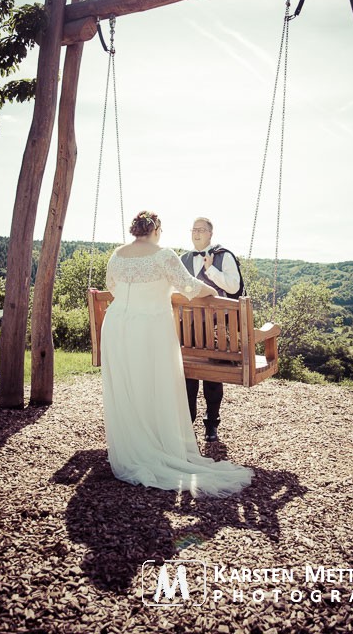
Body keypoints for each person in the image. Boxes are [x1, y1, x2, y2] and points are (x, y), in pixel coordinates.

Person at [100, 210, 253, 497]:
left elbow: (112, 287)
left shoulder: (117, 254)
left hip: (116, 325)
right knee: (154, 384)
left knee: (127, 386)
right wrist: (210, 291)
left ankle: (133, 444)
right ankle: (155, 443)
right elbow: (191, 287)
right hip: (148, 327)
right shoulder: (164, 254)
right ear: (155, 229)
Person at [181, 217, 242, 442]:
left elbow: (234, 287)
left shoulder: (224, 256)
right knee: (187, 376)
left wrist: (210, 271)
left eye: (201, 229)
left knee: (212, 377)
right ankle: (188, 422)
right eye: (193, 229)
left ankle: (212, 423)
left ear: (210, 234)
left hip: (216, 327)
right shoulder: (183, 259)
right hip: (187, 327)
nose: (196, 233)